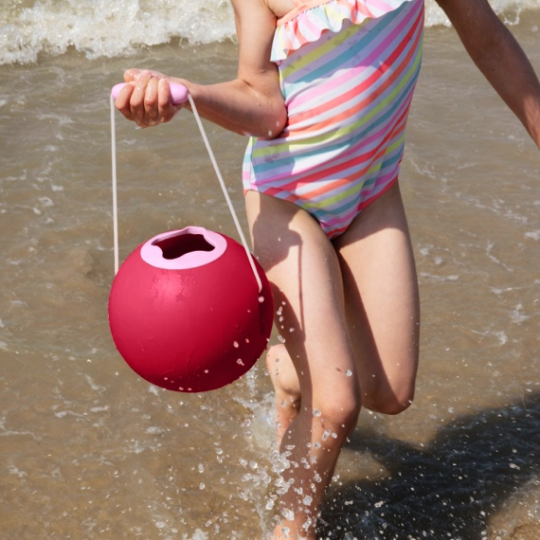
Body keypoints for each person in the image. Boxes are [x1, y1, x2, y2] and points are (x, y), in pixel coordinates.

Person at [115, 0, 540, 538]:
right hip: (285, 202)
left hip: (370, 191)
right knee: (338, 405)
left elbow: (489, 41)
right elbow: (265, 104)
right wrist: (187, 94)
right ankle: (291, 528)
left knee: (390, 393)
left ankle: (289, 370)